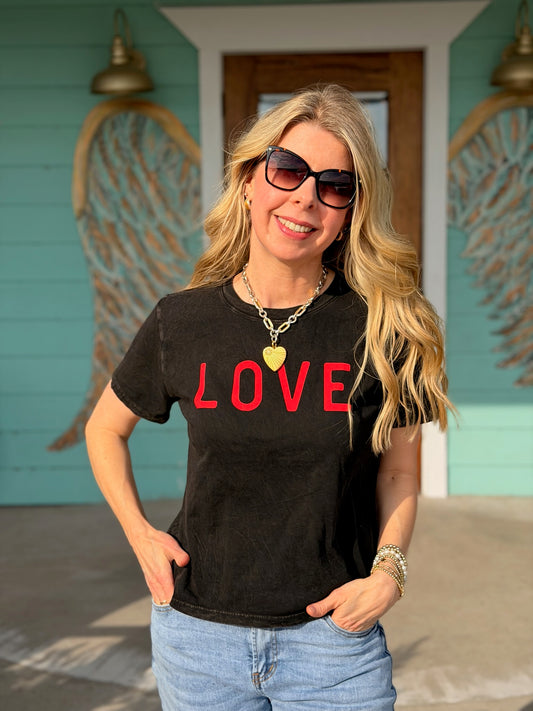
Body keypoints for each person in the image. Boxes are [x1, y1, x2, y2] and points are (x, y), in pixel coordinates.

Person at [85, 84, 453, 710]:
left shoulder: (385, 326)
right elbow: (104, 429)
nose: (306, 197)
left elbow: (397, 470)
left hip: (333, 641)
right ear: (249, 181)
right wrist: (139, 534)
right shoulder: (184, 321)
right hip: (198, 639)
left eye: (335, 185)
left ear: (351, 211)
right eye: (287, 170)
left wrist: (389, 573)